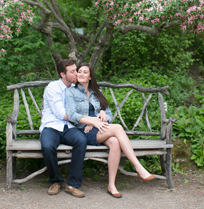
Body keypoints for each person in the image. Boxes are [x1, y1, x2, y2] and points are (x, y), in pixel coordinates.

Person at [64, 63, 155, 198]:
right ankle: (138, 167)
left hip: (98, 129)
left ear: (90, 77)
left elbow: (109, 115)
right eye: (79, 71)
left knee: (114, 142)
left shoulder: (97, 93)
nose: (81, 74)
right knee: (117, 128)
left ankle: (111, 185)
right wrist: (92, 120)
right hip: (83, 131)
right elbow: (71, 115)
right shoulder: (70, 92)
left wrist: (102, 116)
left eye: (85, 72)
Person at [39, 59, 87, 198]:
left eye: (76, 70)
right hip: (51, 126)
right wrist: (86, 119)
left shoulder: (76, 88)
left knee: (81, 140)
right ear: (62, 74)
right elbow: (61, 114)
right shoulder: (53, 87)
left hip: (69, 127)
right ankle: (55, 181)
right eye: (72, 72)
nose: (76, 74)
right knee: (47, 146)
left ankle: (73, 184)